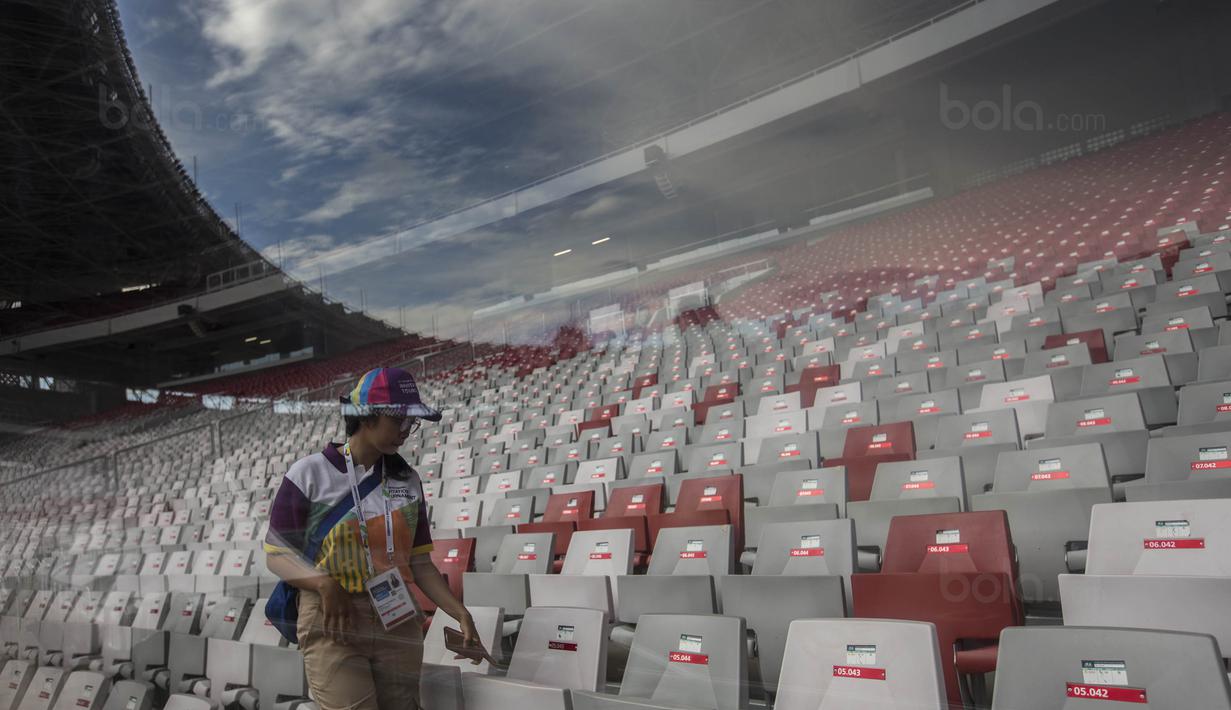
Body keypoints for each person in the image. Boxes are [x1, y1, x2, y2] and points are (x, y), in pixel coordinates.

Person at [264, 367, 480, 710]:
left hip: (397, 617)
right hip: (334, 617)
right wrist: (324, 584)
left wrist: (459, 612)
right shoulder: (309, 474)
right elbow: (276, 554)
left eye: (412, 424)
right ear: (367, 416)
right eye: (400, 422)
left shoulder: (407, 480)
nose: (407, 432)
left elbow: (420, 564)